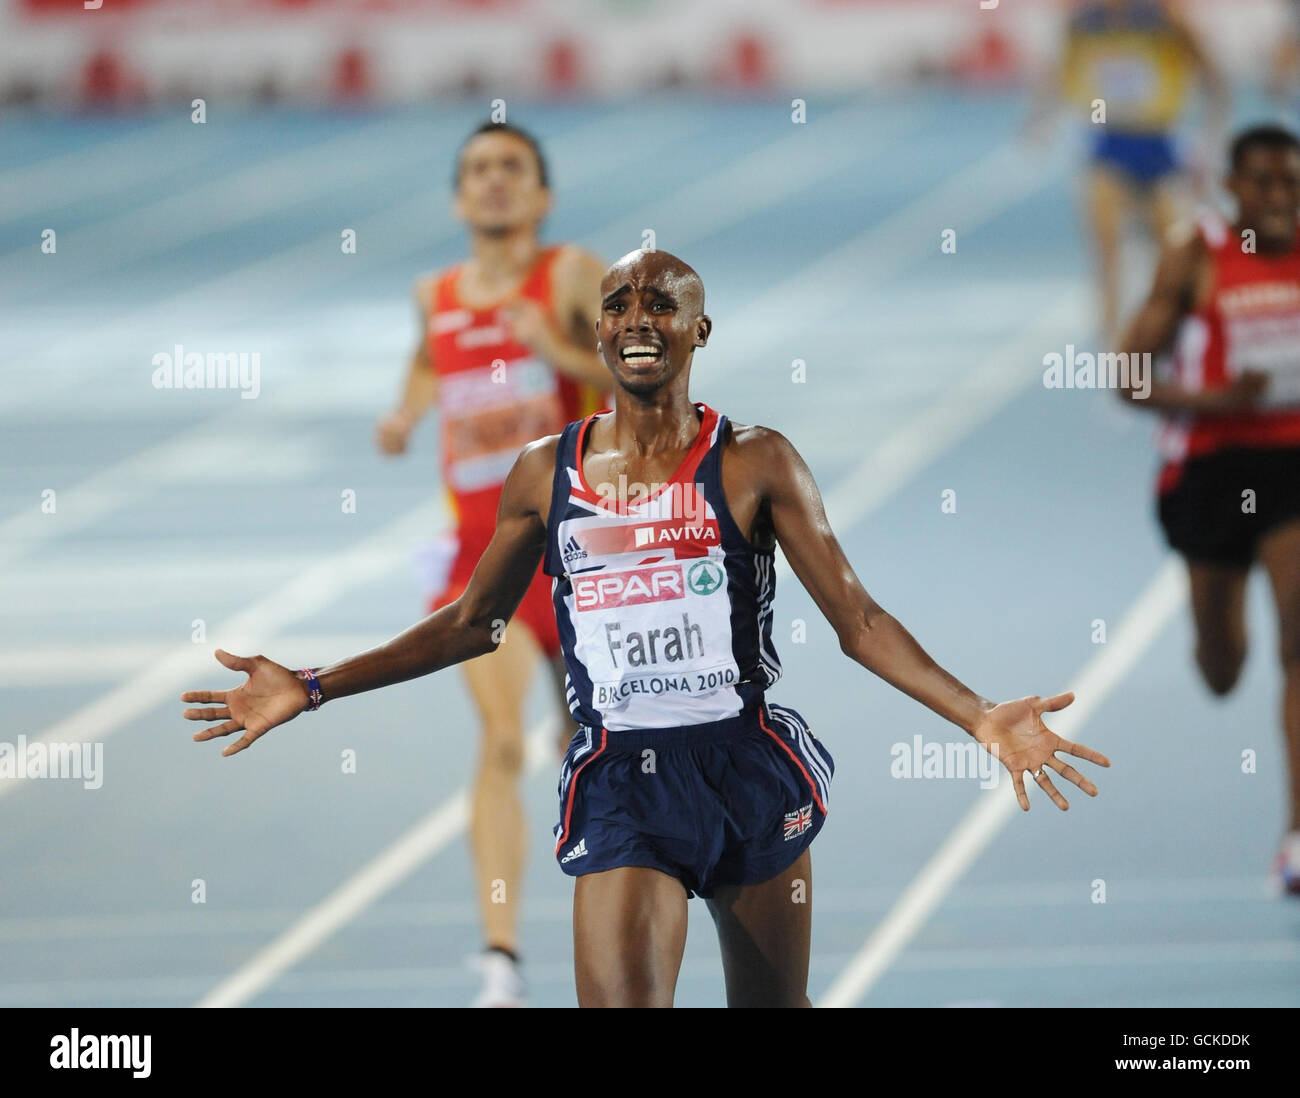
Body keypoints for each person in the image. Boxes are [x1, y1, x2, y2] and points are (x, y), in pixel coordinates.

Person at [184, 249, 1110, 1007]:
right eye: (619, 304)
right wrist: (312, 686)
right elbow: (473, 624)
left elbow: (858, 621)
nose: (638, 318)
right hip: (624, 783)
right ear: (597, 331)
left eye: (662, 304)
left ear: (698, 331)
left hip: (745, 771)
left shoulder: (754, 462)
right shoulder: (545, 475)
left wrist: (979, 715)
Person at [373, 120, 609, 1005]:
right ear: (457, 197)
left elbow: (647, 375)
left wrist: (554, 351)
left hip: (585, 551)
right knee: (502, 740)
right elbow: (428, 364)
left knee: (603, 747)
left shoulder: (573, 274)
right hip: (487, 563)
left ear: (542, 195)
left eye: (512, 168)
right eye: (477, 170)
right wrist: (403, 416)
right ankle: (500, 960)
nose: (494, 183)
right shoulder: (433, 292)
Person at [1116, 124, 1300, 895]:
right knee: (1223, 667)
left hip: (1292, 460)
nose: (1279, 197)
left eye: (1291, 183)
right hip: (1211, 467)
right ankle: (1221, 643)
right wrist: (1212, 399)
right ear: (1233, 187)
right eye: (1263, 183)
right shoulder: (1194, 254)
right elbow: (1127, 373)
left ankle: (1296, 836)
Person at [1029, 0, 1228, 344]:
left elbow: (1210, 74)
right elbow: (1059, 72)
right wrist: (1040, 120)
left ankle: (1189, 328)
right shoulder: (1083, 22)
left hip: (1159, 141)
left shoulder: (1166, 17)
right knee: (1105, 243)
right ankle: (1111, 337)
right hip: (1108, 141)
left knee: (1175, 248)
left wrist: (1209, 139)